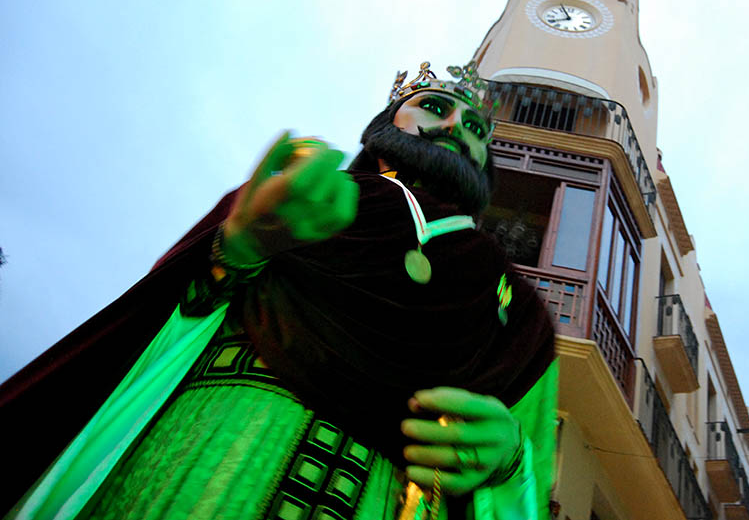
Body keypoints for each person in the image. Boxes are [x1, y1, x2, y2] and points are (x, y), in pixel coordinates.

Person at [0, 61, 558, 520]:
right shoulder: (299, 193)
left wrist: (508, 460)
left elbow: (523, 458)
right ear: (388, 121)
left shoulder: (522, 312)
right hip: (210, 463)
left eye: (478, 128)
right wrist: (237, 249)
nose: (458, 127)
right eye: (434, 107)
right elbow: (165, 318)